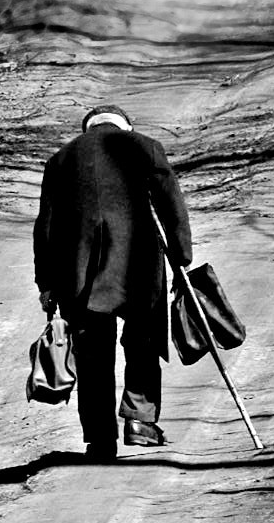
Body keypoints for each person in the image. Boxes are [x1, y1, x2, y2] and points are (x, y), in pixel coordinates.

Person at [33, 105, 192, 461]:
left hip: (79, 273)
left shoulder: (60, 159)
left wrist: (46, 282)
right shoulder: (145, 146)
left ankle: (100, 439)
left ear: (87, 128)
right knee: (143, 341)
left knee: (92, 355)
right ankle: (140, 421)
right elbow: (172, 205)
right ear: (126, 126)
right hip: (137, 263)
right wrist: (182, 255)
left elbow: (45, 227)